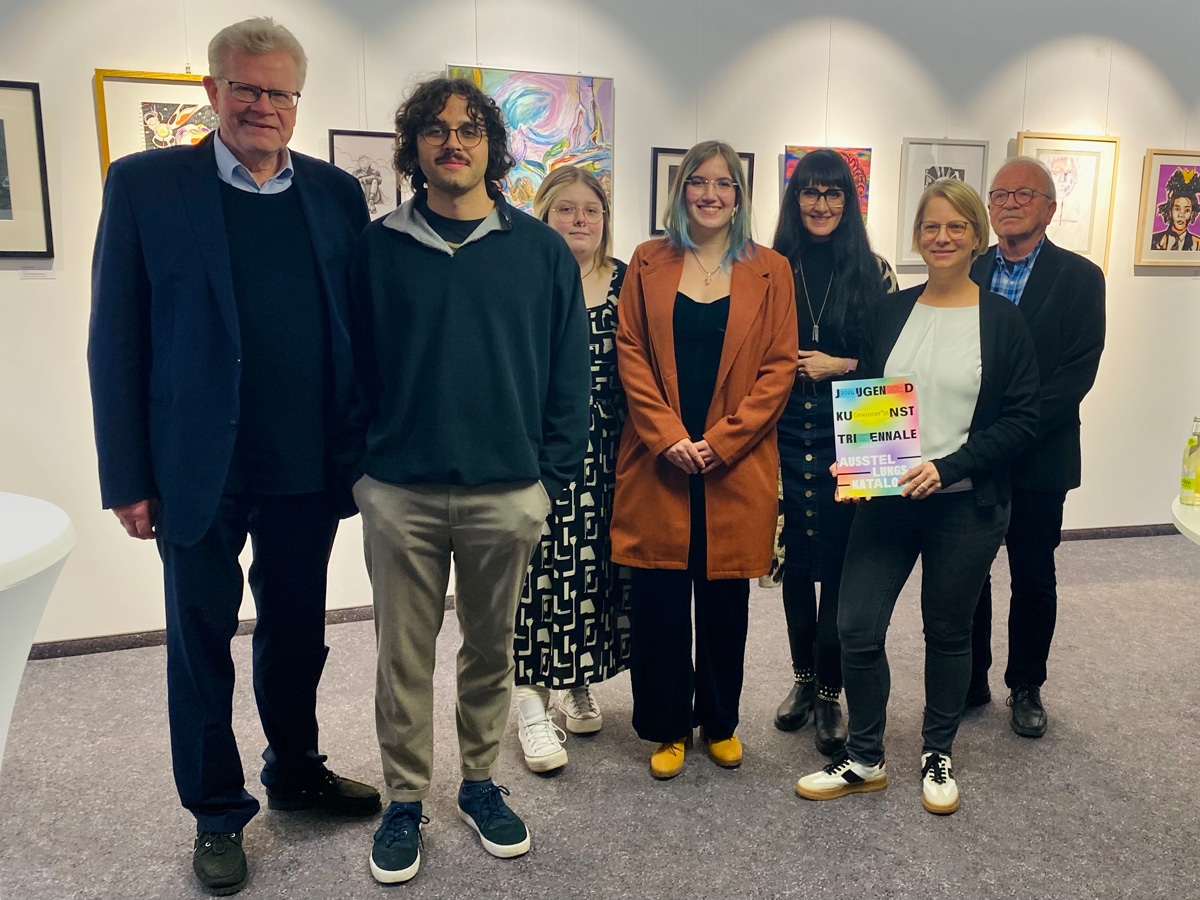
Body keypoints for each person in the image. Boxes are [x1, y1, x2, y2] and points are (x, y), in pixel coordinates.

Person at [87, 17, 379, 896]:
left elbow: (355, 331)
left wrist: (355, 449)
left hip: (304, 467)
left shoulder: (332, 194)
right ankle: (217, 811)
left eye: (279, 92)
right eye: (245, 88)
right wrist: (127, 477)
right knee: (200, 646)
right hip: (194, 470)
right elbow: (116, 341)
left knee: (297, 638)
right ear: (211, 92)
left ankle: (294, 769)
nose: (262, 105)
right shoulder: (145, 185)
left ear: (298, 101)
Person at [348, 77, 590, 884]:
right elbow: (347, 372)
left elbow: (569, 379)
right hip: (400, 494)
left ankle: (480, 784)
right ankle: (405, 799)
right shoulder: (376, 249)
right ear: (414, 147)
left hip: (506, 494)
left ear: (493, 144)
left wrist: (547, 483)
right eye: (437, 130)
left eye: (471, 129)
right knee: (402, 660)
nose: (455, 143)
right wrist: (363, 475)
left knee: (490, 653)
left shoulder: (541, 251)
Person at [795, 179, 1039, 815]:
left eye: (957, 227)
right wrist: (858, 469)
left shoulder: (1003, 321)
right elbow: (873, 398)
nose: (943, 237)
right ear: (917, 237)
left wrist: (949, 465)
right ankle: (867, 757)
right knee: (855, 626)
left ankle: (937, 752)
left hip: (965, 503)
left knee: (948, 631)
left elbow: (1021, 419)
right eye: (932, 227)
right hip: (888, 498)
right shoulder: (892, 312)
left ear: (976, 236)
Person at [612, 140, 798, 780]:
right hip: (660, 457)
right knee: (660, 600)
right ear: (681, 190)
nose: (711, 194)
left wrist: (721, 441)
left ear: (740, 196)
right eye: (699, 182)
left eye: (724, 184)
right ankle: (667, 728)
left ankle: (718, 722)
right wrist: (667, 435)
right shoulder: (648, 260)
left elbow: (778, 369)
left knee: (724, 602)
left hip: (733, 461)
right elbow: (630, 351)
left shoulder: (772, 269)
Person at [967, 157, 1106, 736]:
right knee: (967, 572)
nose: (1010, 203)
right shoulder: (969, 269)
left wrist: (1013, 429)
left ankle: (1027, 685)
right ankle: (970, 677)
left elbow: (1077, 372)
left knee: (1033, 573)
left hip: (1040, 456)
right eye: (999, 194)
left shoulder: (1081, 277)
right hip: (971, 455)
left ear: (1052, 207)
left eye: (1025, 193)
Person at [770, 148, 898, 755]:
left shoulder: (877, 272)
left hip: (860, 433)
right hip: (784, 430)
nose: (821, 205)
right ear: (794, 201)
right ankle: (802, 679)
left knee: (844, 566)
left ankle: (829, 692)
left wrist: (839, 365)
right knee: (797, 562)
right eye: (810, 193)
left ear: (850, 202)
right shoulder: (770, 267)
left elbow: (895, 365)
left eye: (834, 193)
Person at [511, 165, 633, 772]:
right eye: (566, 209)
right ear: (544, 214)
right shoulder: (523, 276)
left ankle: (578, 678)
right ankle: (530, 702)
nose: (580, 220)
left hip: (611, 456)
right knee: (533, 579)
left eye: (591, 210)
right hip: (537, 454)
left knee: (592, 577)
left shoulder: (627, 282)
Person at [1150, 167, 1200, 251]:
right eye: (1177, 209)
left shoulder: (1197, 244)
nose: (1181, 215)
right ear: (1170, 211)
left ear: (1192, 214)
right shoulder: (1154, 240)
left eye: (1187, 210)